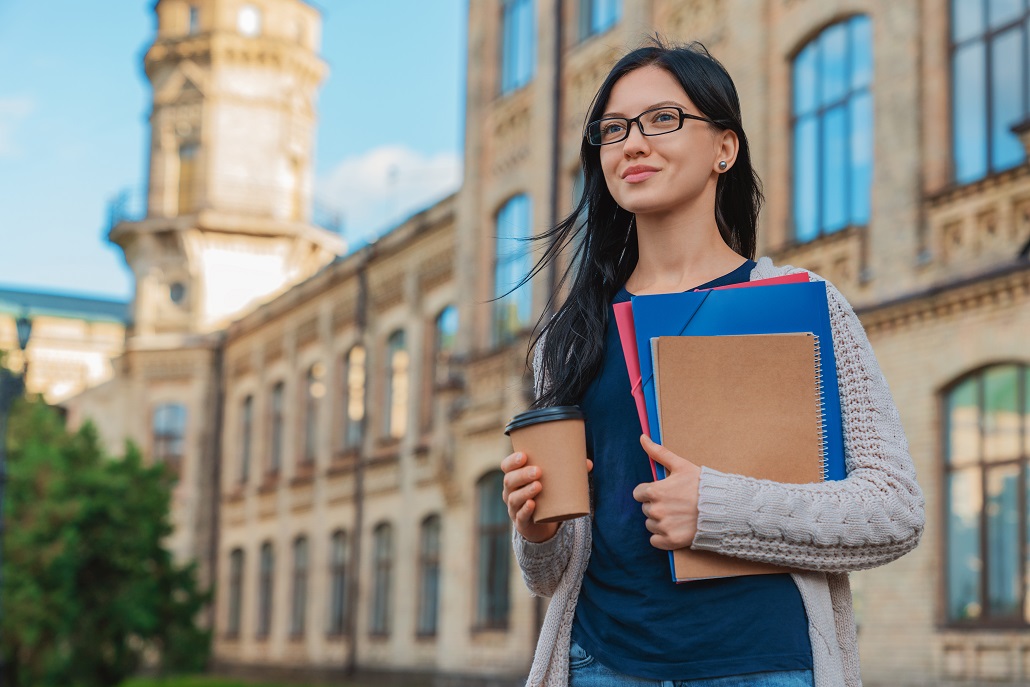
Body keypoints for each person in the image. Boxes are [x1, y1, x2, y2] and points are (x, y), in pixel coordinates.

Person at [499, 40, 924, 687]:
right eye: (613, 129)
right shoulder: (568, 337)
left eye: (662, 119)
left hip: (767, 665)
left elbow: (892, 512)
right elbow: (551, 573)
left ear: (724, 147)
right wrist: (537, 530)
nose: (632, 143)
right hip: (600, 665)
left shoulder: (800, 305)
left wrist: (717, 509)